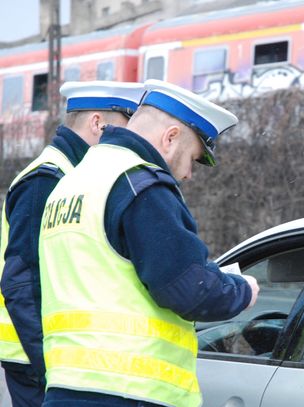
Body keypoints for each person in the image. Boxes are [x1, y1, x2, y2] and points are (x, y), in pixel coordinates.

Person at [39, 79, 260, 407]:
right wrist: (242, 291)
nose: (187, 174)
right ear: (170, 138)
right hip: (130, 390)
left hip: (65, 387)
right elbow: (187, 289)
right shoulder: (140, 185)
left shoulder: (70, 184)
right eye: (192, 158)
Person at [0, 80, 145, 407]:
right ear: (97, 123)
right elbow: (23, 283)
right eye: (125, 126)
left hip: (58, 358)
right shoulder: (46, 179)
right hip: (37, 360)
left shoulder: (76, 174)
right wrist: (50, 366)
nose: (130, 139)